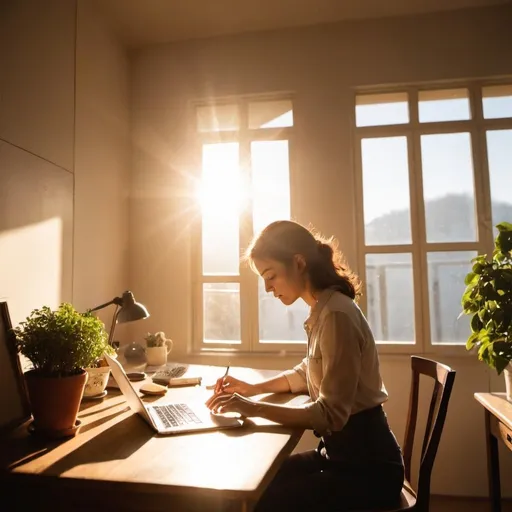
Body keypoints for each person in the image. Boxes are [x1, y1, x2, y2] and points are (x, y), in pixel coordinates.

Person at [205, 220, 404, 512]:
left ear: (299, 263)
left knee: (263, 499)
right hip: (338, 456)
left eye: (270, 275)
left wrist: (253, 408)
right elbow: (306, 372)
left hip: (367, 470)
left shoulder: (336, 315)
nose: (267, 288)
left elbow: (330, 414)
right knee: (255, 482)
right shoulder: (323, 309)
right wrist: (253, 389)